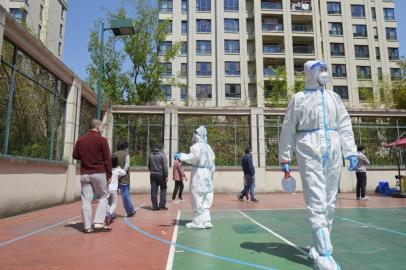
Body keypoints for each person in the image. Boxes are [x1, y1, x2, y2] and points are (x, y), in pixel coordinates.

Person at [279, 60, 358, 270]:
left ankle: (318, 245)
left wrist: (350, 151)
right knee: (316, 201)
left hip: (333, 149)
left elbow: (344, 123)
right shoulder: (299, 99)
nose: (324, 73)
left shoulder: (334, 98)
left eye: (325, 69)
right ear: (310, 73)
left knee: (330, 202)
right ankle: (324, 254)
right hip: (308, 148)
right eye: (320, 70)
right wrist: (285, 158)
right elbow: (287, 129)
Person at [73, 119, 112, 233]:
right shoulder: (102, 140)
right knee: (104, 196)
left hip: (85, 173)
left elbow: (75, 155)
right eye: (102, 126)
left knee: (86, 200)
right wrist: (109, 174)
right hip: (99, 173)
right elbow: (107, 159)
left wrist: (86, 156)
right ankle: (98, 222)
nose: (102, 128)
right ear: (97, 127)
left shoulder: (80, 140)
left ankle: (87, 226)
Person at [174, 126, 216, 229]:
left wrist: (181, 156)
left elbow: (193, 157)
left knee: (197, 195)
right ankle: (206, 220)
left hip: (199, 173)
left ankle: (197, 222)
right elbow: (213, 163)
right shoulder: (208, 147)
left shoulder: (197, 146)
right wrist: (210, 175)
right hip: (207, 173)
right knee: (206, 196)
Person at [114, 140, 136, 217]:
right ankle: (130, 211)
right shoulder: (127, 155)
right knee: (125, 196)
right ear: (125, 147)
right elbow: (126, 165)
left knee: (112, 197)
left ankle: (109, 212)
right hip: (124, 178)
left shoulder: (114, 154)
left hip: (115, 179)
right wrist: (122, 172)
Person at [106, 154, 126, 224]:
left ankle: (108, 214)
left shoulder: (108, 170)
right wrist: (119, 167)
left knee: (107, 203)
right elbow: (124, 173)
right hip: (114, 189)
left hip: (107, 188)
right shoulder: (118, 170)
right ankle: (109, 214)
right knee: (114, 203)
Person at [148, 145, 169, 211]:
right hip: (161, 174)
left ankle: (154, 206)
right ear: (160, 149)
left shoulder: (150, 155)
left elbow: (149, 165)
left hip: (152, 174)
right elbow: (165, 167)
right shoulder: (162, 155)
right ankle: (162, 205)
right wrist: (166, 176)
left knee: (153, 191)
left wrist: (152, 170)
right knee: (163, 188)